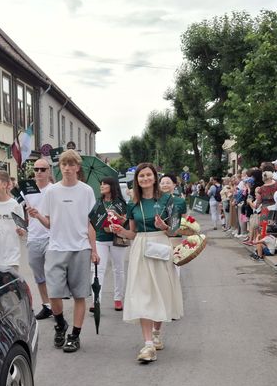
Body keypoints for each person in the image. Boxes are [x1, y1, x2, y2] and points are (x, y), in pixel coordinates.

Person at [109, 163, 183, 363]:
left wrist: (164, 225)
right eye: (141, 176)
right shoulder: (133, 203)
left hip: (161, 245)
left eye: (148, 175)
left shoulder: (168, 200)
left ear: (155, 177)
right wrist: (120, 231)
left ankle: (157, 333)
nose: (145, 178)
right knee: (143, 294)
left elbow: (175, 231)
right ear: (137, 180)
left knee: (160, 292)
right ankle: (148, 344)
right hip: (140, 248)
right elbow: (133, 233)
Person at [26, 150, 98, 353]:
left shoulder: (86, 191)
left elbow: (91, 223)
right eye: (64, 165)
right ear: (60, 167)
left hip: (80, 248)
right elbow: (49, 223)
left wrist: (94, 250)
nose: (67, 168)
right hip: (56, 247)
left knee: (79, 295)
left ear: (77, 167)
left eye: (71, 164)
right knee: (54, 292)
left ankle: (74, 336)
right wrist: (37, 216)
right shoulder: (52, 191)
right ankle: (60, 324)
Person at [25, 158, 55, 320]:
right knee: (39, 276)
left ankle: (57, 306)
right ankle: (47, 305)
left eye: (42, 169)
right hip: (33, 237)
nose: (39, 172)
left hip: (51, 236)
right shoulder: (28, 190)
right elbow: (24, 213)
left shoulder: (53, 190)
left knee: (52, 274)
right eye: (36, 169)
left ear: (48, 171)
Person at [93, 177, 128, 311]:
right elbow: (92, 220)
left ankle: (118, 299)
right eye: (101, 184)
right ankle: (96, 300)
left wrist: (116, 216)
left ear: (112, 186)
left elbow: (126, 221)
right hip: (100, 239)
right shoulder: (98, 201)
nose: (101, 186)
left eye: (104, 184)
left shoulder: (119, 202)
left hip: (117, 239)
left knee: (118, 269)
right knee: (98, 269)